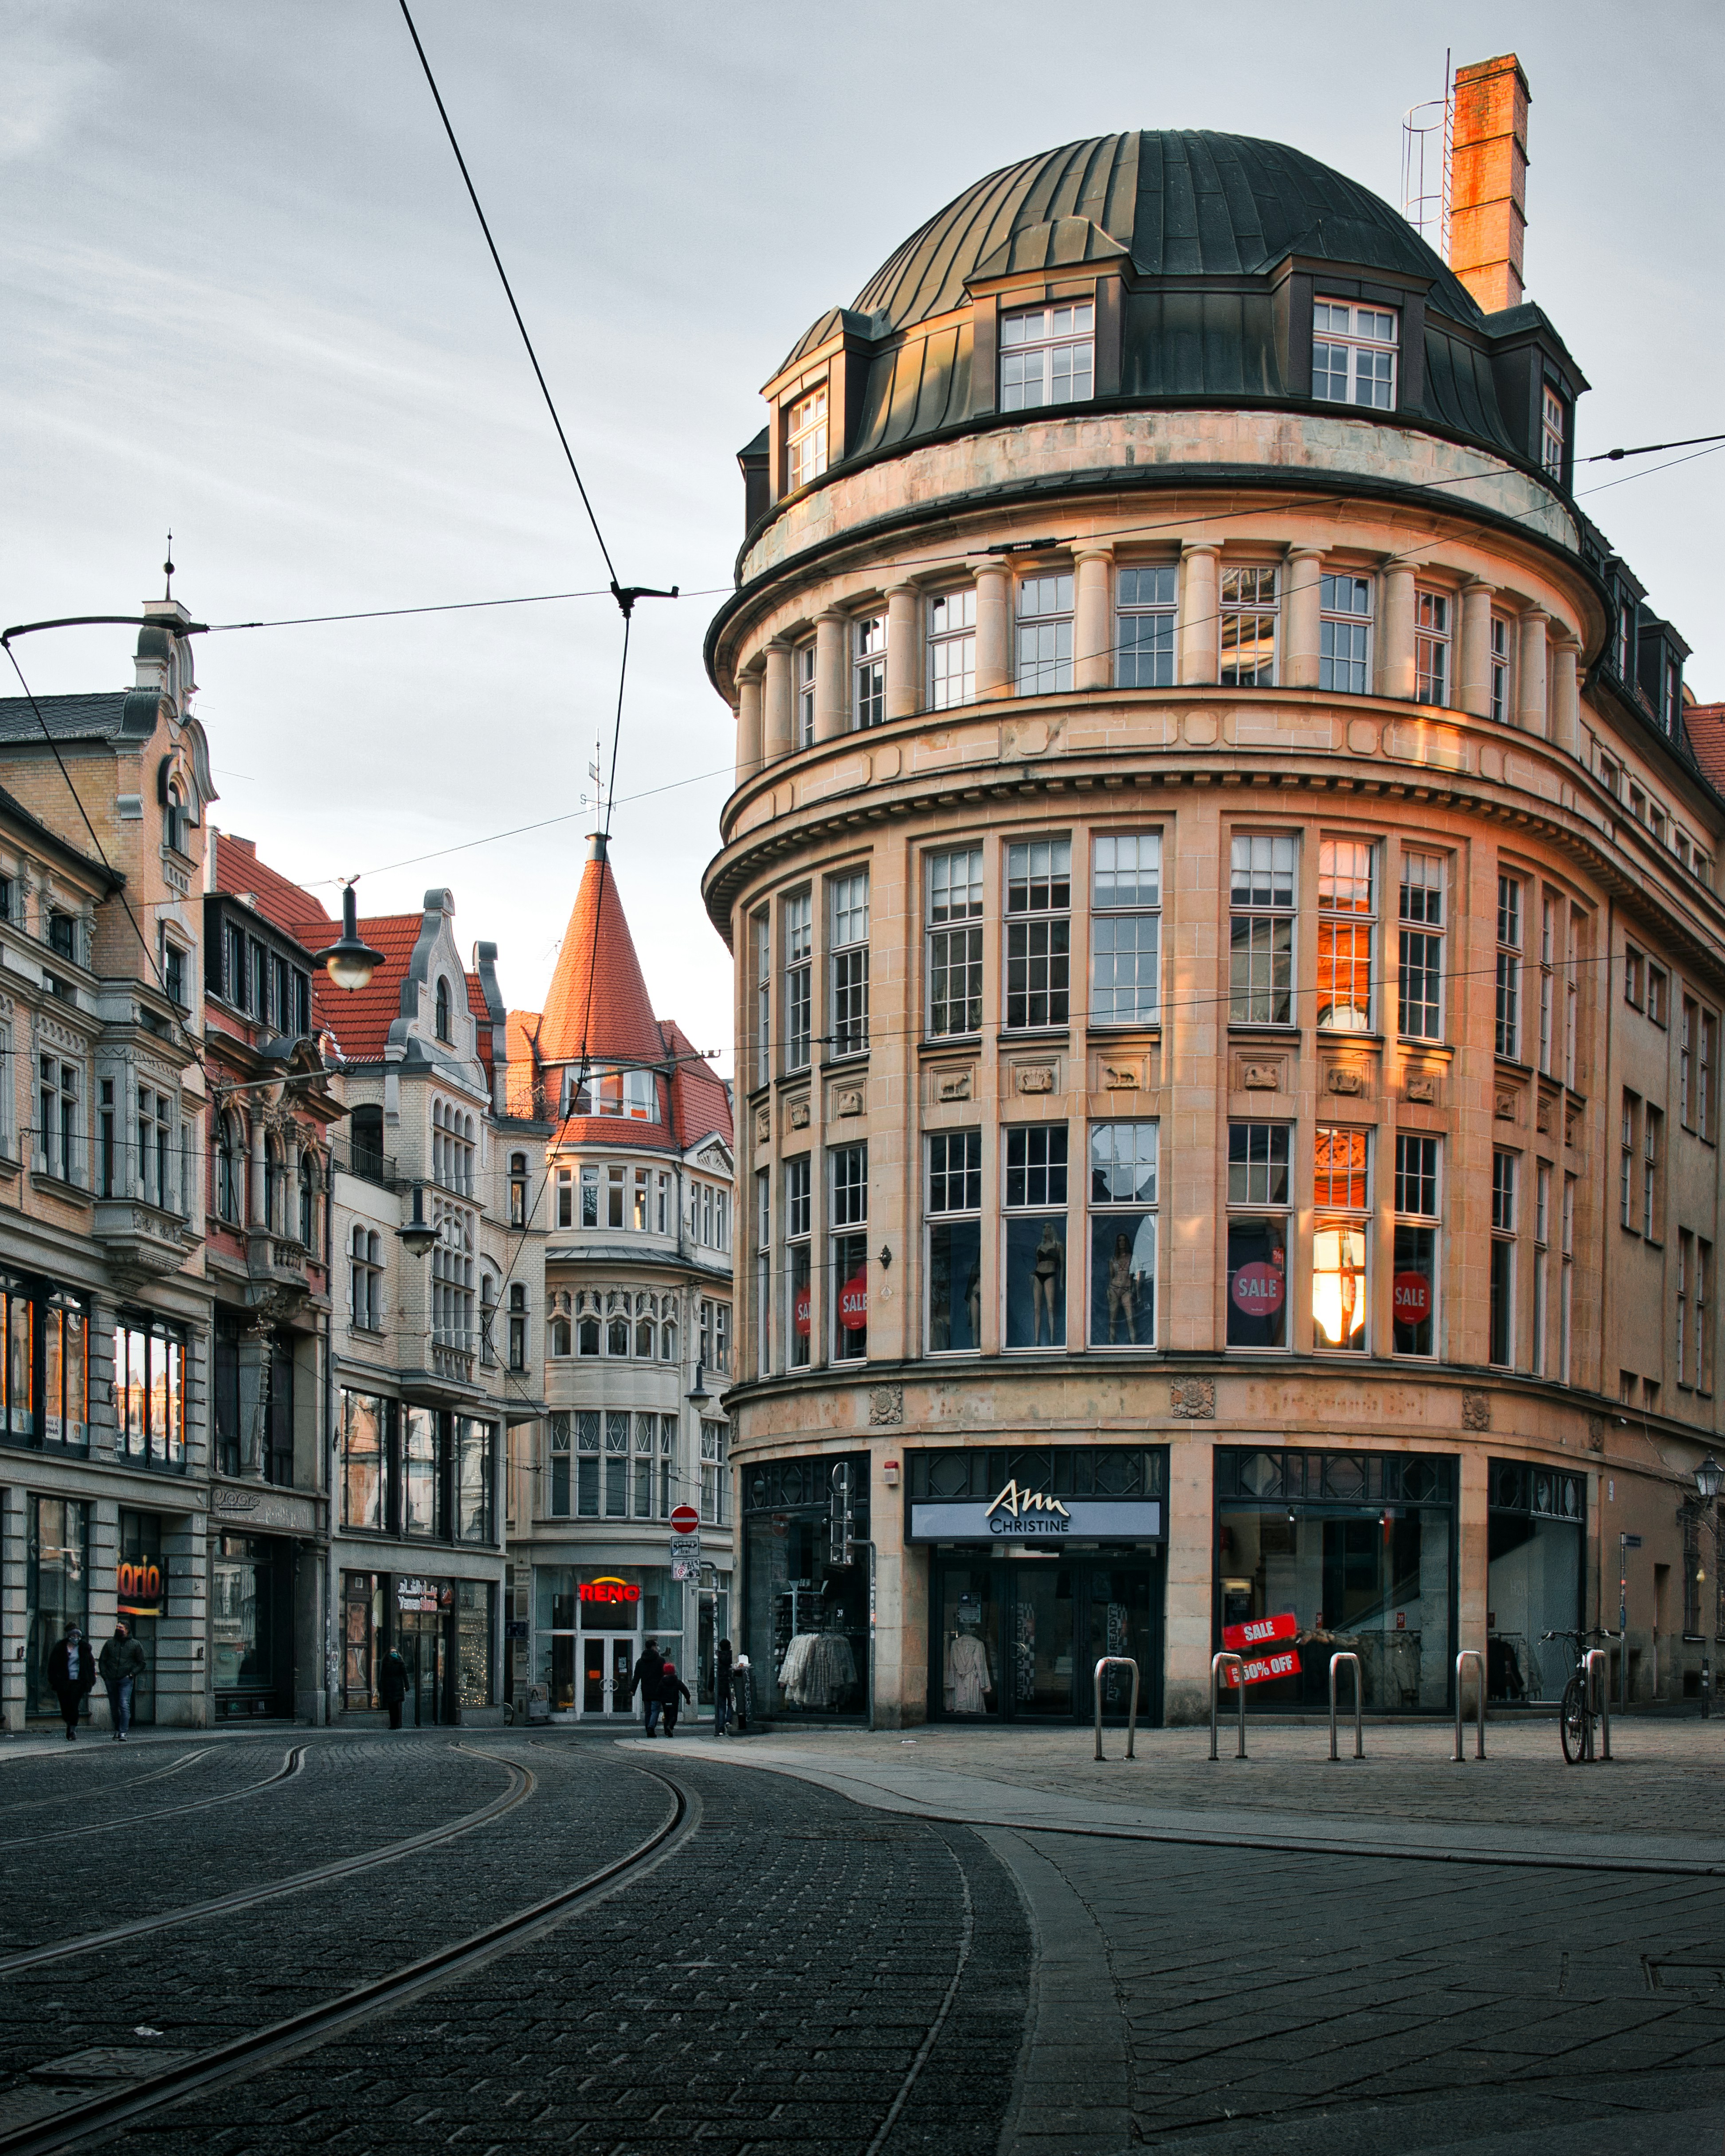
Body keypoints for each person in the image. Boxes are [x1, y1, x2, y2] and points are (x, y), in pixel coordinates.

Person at [98, 1620, 147, 1741]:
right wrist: (105, 1675)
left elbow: (141, 1663)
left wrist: (131, 1674)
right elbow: (103, 1661)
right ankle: (117, 1728)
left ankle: (123, 1732)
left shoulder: (135, 1644)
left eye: (121, 1628)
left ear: (127, 1630)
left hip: (125, 1679)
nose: (119, 1629)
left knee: (124, 1704)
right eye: (117, 1627)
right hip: (111, 1679)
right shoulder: (110, 1644)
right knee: (114, 1706)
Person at [47, 1622, 95, 1741]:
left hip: (78, 1681)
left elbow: (90, 1665)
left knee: (74, 1705)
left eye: (77, 1636)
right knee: (65, 1706)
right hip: (63, 1682)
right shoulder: (60, 1647)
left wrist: (90, 1680)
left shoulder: (84, 1648)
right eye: (73, 1636)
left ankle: (72, 1730)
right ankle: (69, 1722)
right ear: (68, 1635)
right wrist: (54, 1679)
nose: (75, 1638)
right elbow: (52, 1665)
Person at [628, 1639, 664, 1735]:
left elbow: (637, 1677)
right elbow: (664, 1676)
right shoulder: (660, 1660)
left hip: (646, 1689)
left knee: (648, 1711)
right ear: (653, 1647)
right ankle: (651, 1727)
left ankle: (648, 1728)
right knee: (655, 1710)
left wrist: (633, 1689)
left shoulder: (641, 1661)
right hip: (657, 1689)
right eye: (656, 1646)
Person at [657, 1657, 691, 1738]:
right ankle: (670, 1727)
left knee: (667, 1716)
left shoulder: (662, 1682)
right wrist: (688, 1698)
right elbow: (684, 1690)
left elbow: (658, 1691)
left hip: (665, 1702)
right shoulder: (677, 1681)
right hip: (674, 1701)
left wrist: (659, 1700)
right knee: (674, 1717)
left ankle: (667, 1731)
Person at [379, 1644, 409, 1730]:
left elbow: (405, 1675)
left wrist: (407, 1685)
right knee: (391, 1707)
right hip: (389, 1687)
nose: (394, 1653)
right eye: (392, 1652)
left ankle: (398, 1723)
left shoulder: (400, 1662)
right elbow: (383, 1675)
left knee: (397, 1707)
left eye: (395, 1652)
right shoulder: (386, 1662)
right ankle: (393, 1724)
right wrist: (381, 1685)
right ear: (389, 1653)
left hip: (398, 1687)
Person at [714, 1639, 734, 1737]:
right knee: (731, 1704)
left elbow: (713, 1671)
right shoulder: (732, 1657)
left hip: (721, 1684)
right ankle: (729, 1720)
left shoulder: (718, 1658)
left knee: (721, 1707)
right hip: (730, 1683)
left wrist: (711, 1685)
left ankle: (721, 1728)